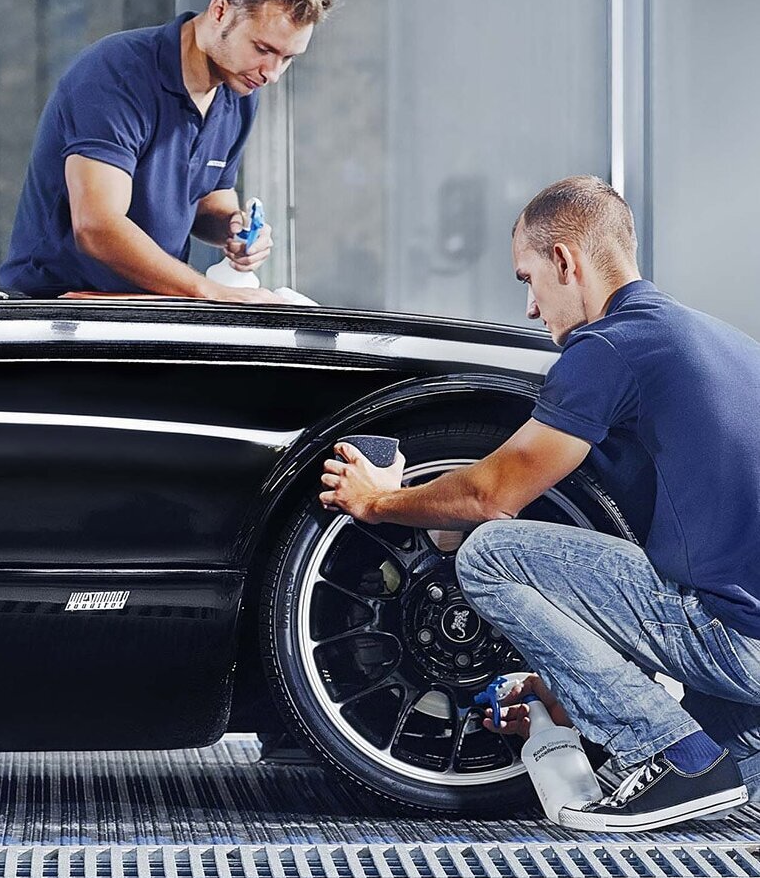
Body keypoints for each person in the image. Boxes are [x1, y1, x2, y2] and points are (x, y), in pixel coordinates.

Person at [322, 175, 760, 834]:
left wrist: (381, 501)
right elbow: (669, 569)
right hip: (744, 649)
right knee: (736, 788)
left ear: (565, 262)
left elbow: (489, 496)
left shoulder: (610, 345)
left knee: (493, 555)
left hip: (738, 646)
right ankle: (710, 757)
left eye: (526, 278)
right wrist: (566, 685)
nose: (530, 306)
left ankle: (675, 756)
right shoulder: (722, 344)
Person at [0, 0, 333, 302]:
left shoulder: (239, 92)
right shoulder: (116, 75)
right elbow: (96, 226)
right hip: (56, 316)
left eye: (287, 58)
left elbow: (208, 196)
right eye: (263, 49)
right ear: (220, 10)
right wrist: (210, 293)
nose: (272, 74)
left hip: (153, 310)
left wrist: (232, 228)